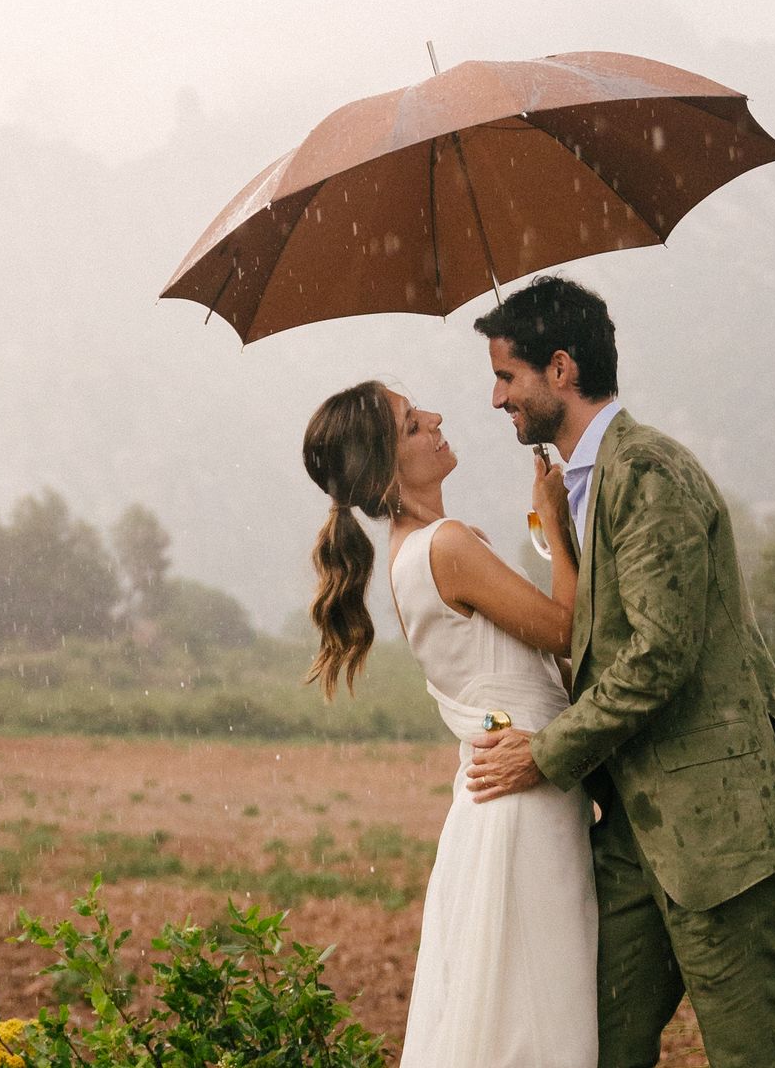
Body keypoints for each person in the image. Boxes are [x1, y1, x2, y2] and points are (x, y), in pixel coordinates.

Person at [465, 275, 775, 1067]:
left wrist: (544, 754)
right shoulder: (585, 486)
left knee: (759, 1056)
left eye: (506, 376)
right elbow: (604, 638)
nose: (495, 399)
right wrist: (556, 530)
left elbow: (660, 655)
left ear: (561, 370)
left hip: (718, 828)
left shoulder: (648, 471)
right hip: (631, 837)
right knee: (591, 1048)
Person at [302, 379, 596, 1068]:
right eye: (410, 425)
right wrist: (552, 521)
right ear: (385, 467)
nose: (434, 418)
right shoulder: (447, 545)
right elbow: (568, 632)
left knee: (511, 1015)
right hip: (523, 806)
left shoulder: (416, 554)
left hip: (505, 800)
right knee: (539, 1021)